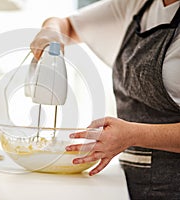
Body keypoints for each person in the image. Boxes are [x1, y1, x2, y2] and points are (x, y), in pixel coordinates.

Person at [30, 0, 180, 199]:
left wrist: (133, 134)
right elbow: (67, 25)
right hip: (131, 182)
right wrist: (52, 31)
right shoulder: (136, 4)